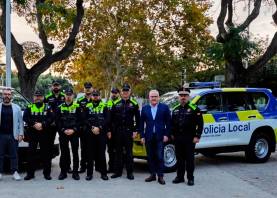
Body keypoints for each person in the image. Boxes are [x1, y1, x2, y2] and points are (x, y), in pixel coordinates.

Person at [171, 87, 203, 186]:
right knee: (179, 159)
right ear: (178, 97)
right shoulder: (175, 109)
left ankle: (190, 178)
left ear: (188, 96)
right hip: (178, 139)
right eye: (181, 95)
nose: (183, 97)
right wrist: (172, 135)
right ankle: (180, 177)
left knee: (189, 159)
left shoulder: (194, 108)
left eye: (185, 95)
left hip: (190, 138)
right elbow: (173, 124)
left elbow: (200, 124)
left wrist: (197, 136)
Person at [139, 90, 171, 185]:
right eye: (152, 96)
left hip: (160, 136)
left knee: (160, 156)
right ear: (149, 98)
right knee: (150, 157)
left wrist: (166, 135)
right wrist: (142, 136)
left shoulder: (164, 108)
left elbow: (169, 123)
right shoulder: (144, 108)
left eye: (155, 96)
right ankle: (152, 175)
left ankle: (160, 176)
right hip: (148, 136)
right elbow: (141, 124)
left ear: (158, 97)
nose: (153, 98)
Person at [110, 84, 140, 180]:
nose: (125, 92)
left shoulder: (134, 104)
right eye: (124, 91)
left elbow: (138, 119)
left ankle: (130, 173)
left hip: (128, 131)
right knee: (118, 152)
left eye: (127, 91)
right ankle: (117, 172)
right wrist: (111, 131)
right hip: (118, 132)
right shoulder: (116, 103)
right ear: (121, 92)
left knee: (129, 153)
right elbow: (111, 119)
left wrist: (136, 130)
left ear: (130, 92)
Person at [23, 90, 55, 180]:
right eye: (36, 96)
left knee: (46, 154)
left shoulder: (48, 107)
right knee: (31, 154)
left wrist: (43, 124)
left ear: (43, 97)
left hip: (45, 133)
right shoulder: (29, 107)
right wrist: (34, 124)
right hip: (33, 134)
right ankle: (30, 174)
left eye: (40, 96)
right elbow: (25, 117)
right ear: (34, 98)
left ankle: (47, 174)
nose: (38, 98)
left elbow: (52, 118)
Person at [56, 88, 82, 180]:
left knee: (75, 153)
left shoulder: (77, 107)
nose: (68, 96)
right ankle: (63, 172)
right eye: (67, 95)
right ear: (64, 96)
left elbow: (80, 121)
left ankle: (75, 172)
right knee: (64, 153)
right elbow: (57, 121)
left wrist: (74, 130)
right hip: (63, 133)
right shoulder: (60, 107)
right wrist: (63, 130)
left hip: (74, 133)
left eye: (70, 95)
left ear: (73, 96)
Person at [84, 90, 109, 181]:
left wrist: (99, 128)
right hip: (90, 133)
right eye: (93, 95)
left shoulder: (104, 106)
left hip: (101, 133)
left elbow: (107, 119)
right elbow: (85, 119)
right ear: (91, 96)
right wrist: (92, 128)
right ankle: (89, 174)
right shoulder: (87, 106)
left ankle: (104, 174)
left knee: (102, 154)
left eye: (97, 95)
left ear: (99, 96)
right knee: (90, 154)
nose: (95, 97)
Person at [0, 88, 24, 181]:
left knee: (14, 155)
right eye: (5, 94)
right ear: (2, 95)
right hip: (1, 135)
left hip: (13, 135)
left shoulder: (17, 107)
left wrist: (21, 134)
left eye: (8, 94)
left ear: (11, 96)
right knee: (0, 155)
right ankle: (0, 172)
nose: (7, 96)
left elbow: (20, 122)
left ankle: (15, 172)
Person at [76, 82, 93, 173]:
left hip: (93, 128)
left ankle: (93, 165)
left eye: (89, 87)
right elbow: (77, 115)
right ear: (84, 89)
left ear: (92, 89)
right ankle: (83, 166)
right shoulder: (80, 101)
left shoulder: (95, 99)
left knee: (92, 148)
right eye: (86, 87)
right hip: (83, 129)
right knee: (83, 148)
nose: (87, 89)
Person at [106, 87, 120, 173]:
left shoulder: (121, 102)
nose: (113, 94)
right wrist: (108, 130)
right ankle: (111, 167)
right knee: (110, 150)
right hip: (110, 130)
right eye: (112, 93)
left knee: (118, 150)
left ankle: (117, 168)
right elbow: (106, 118)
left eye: (115, 93)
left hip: (118, 130)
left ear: (118, 94)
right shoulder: (108, 103)